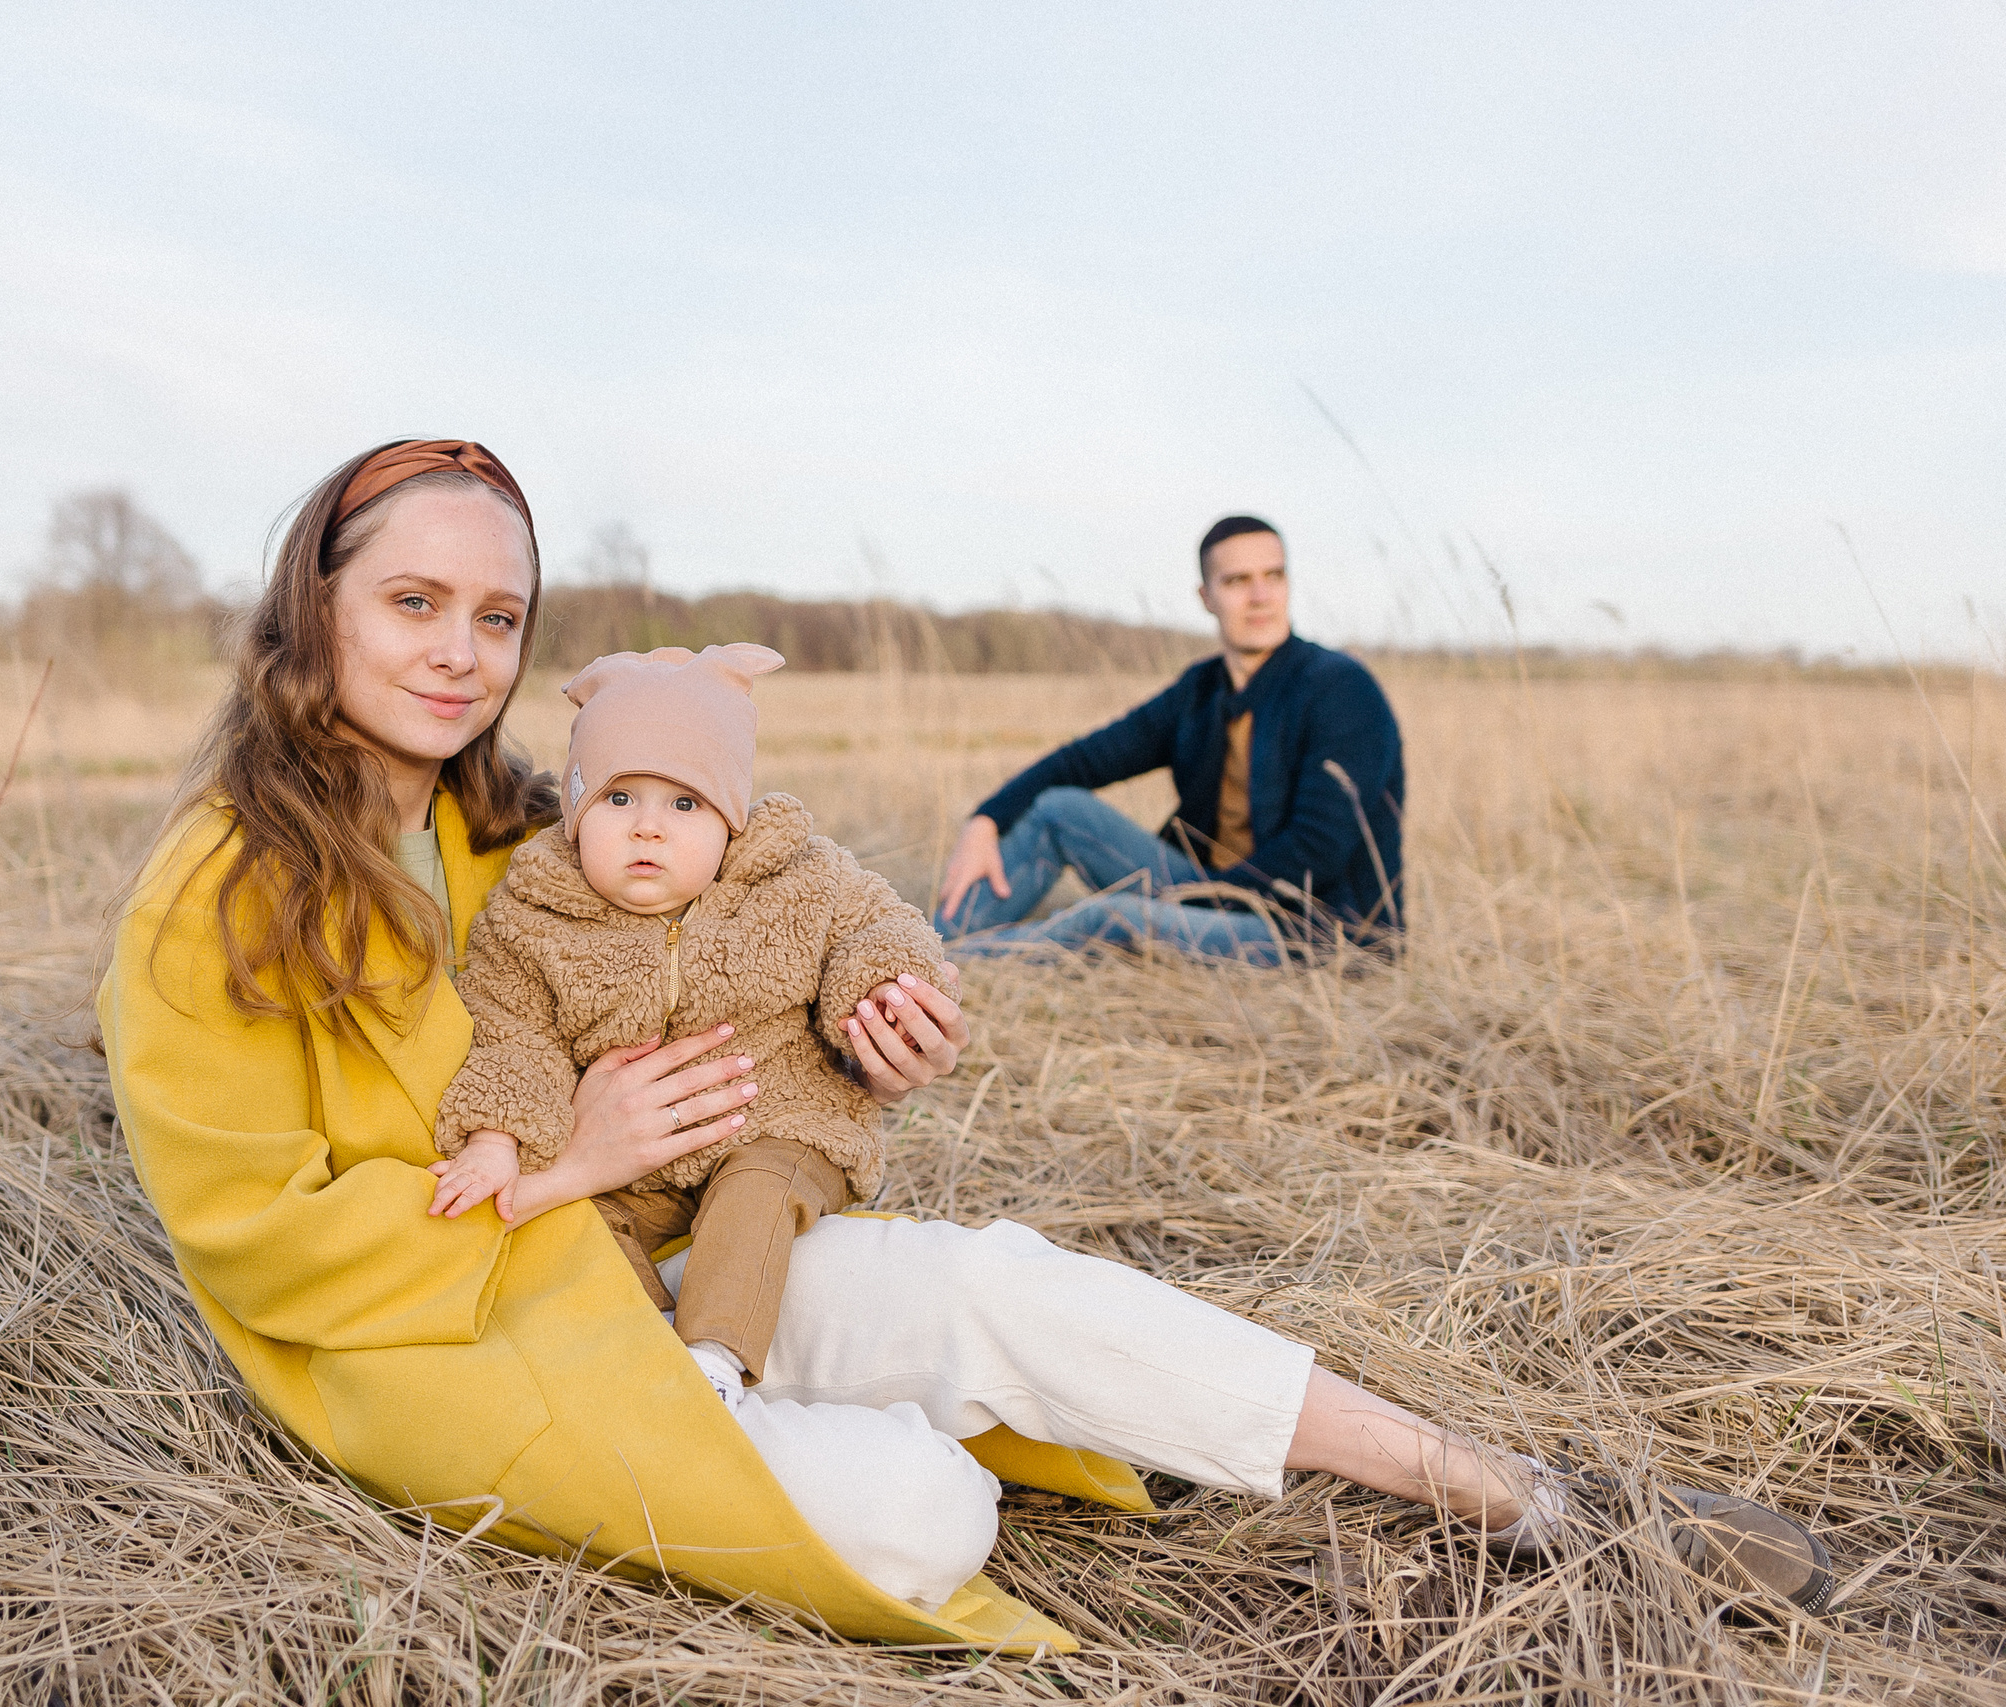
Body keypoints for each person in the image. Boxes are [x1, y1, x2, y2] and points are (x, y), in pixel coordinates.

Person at [97, 442, 1835, 1644]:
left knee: (1008, 1282)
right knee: (928, 1514)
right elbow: (263, 1252)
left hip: (659, 1255)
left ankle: (1522, 1491)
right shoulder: (218, 892)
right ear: (311, 600)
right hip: (449, 1346)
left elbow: (724, 1008)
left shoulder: (529, 834)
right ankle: (801, 1425)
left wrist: (859, 1028)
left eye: (497, 617)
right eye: (415, 604)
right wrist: (576, 1162)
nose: (462, 653)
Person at [429, 641, 950, 1408]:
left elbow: (877, 927)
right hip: (632, 1171)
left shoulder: (792, 877)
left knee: (760, 1192)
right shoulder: (535, 914)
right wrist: (496, 1138)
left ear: (730, 820)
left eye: (683, 803)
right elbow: (512, 1032)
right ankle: (639, 1364)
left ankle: (711, 1357)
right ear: (574, 810)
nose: (648, 828)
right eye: (618, 799)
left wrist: (879, 993)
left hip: (779, 1121)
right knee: (573, 1227)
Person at [936, 515, 1405, 964]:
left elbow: (1316, 849)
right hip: (1213, 892)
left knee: (1116, 918)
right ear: (1206, 596)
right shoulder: (1200, 691)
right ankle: (926, 947)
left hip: (1316, 931)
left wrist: (1193, 906)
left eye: (1274, 575)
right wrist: (986, 819)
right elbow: (1086, 760)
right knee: (1059, 810)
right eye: (1238, 581)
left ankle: (938, 970)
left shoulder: (1341, 688)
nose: (1261, 596)